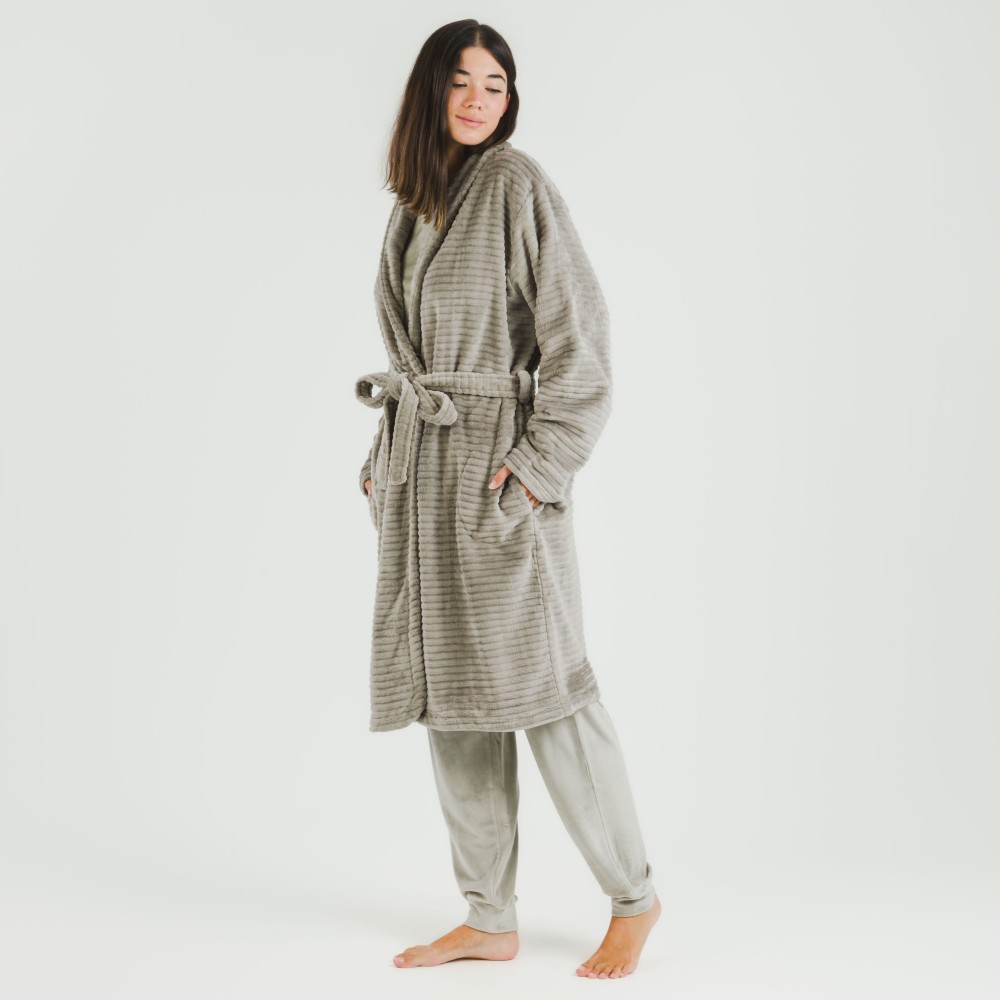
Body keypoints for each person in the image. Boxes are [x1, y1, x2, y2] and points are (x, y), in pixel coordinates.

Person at [355, 20, 660, 978]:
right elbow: (417, 360)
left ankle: (634, 897)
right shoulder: (415, 204)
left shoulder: (516, 186)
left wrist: (539, 464)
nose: (480, 99)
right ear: (430, 91)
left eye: (496, 84)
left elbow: (583, 337)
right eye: (462, 81)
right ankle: (489, 917)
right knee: (455, 702)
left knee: (551, 696)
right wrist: (383, 454)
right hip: (425, 480)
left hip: (497, 478)